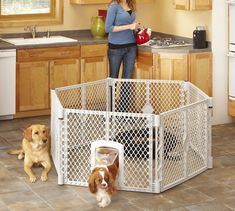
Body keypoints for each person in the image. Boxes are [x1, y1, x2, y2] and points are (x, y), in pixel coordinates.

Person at [105, 0, 139, 112]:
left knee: (127, 81)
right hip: (116, 48)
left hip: (131, 46)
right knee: (113, 79)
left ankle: (123, 113)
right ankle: (110, 112)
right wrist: (129, 26)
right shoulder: (114, 6)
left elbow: (131, 23)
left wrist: (136, 27)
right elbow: (108, 28)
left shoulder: (131, 4)